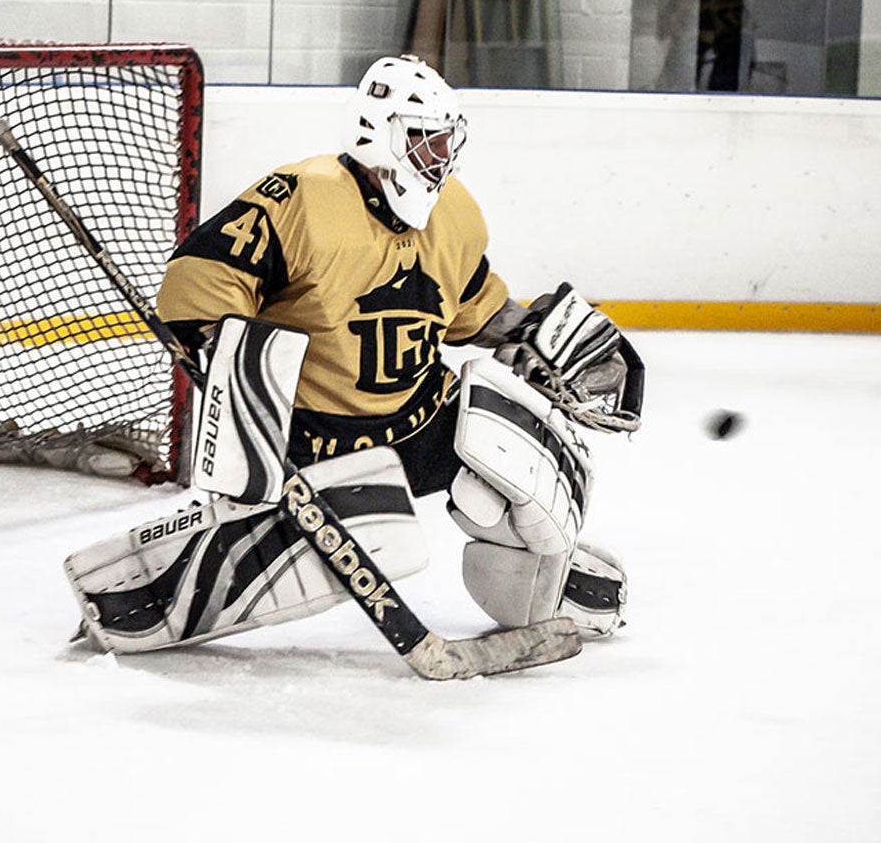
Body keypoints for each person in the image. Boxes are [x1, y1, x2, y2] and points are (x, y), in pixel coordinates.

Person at [65, 55, 643, 655]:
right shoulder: (301, 198)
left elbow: (474, 309)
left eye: (446, 140)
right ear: (378, 135)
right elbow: (196, 282)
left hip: (418, 420)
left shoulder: (456, 214)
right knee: (315, 553)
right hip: (314, 443)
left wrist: (530, 331)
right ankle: (168, 584)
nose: (439, 156)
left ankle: (544, 591)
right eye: (424, 140)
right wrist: (224, 357)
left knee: (511, 458)